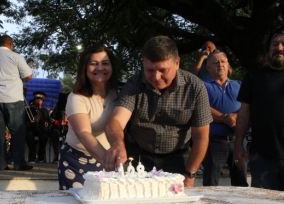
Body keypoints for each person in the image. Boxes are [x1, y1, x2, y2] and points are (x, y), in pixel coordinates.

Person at [105, 36, 212, 187]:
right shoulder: (134, 83)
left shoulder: (195, 87)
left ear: (177, 63)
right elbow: (115, 122)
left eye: (163, 70)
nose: (156, 77)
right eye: (150, 70)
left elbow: (201, 136)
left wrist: (190, 174)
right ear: (143, 63)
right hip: (138, 157)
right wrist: (117, 144)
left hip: (177, 159)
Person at [58, 44, 119, 190]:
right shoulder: (76, 97)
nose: (100, 68)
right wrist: (107, 160)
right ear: (84, 68)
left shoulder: (116, 94)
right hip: (76, 162)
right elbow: (84, 133)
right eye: (93, 64)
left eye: (105, 63)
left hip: (106, 160)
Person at [235, 28, 284, 191]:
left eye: (283, 44)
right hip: (263, 157)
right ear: (269, 49)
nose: (280, 48)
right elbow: (243, 115)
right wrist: (238, 145)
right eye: (275, 44)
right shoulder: (253, 76)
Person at [0, 35, 33, 171]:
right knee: (18, 132)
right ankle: (18, 163)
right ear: (11, 44)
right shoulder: (16, 57)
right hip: (13, 98)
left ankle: (1, 164)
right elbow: (28, 76)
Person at [202, 50, 248, 186]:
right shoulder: (202, 86)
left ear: (228, 65)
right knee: (211, 183)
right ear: (208, 67)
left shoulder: (239, 85)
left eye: (223, 61)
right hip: (214, 142)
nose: (220, 64)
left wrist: (236, 116)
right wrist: (225, 118)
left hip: (238, 141)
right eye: (215, 62)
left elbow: (248, 107)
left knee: (241, 184)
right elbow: (201, 108)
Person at [25, 91, 51, 163]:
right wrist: (30, 123)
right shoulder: (29, 109)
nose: (39, 101)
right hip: (31, 128)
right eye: (37, 99)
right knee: (29, 135)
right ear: (34, 99)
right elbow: (25, 121)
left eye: (41, 99)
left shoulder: (44, 110)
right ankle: (32, 157)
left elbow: (48, 121)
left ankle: (41, 157)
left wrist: (47, 123)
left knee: (44, 136)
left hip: (41, 129)